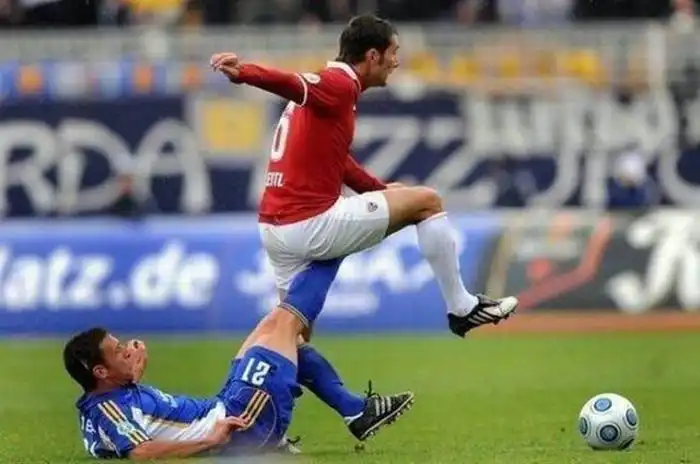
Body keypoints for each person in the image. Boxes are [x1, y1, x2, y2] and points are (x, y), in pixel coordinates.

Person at [210, 14, 518, 340]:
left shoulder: (327, 94)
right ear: (372, 56)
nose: (396, 62)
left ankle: (263, 371)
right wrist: (244, 73)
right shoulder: (339, 84)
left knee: (294, 337)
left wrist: (379, 190)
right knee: (427, 202)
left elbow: (339, 162)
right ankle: (462, 308)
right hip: (311, 224)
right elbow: (293, 82)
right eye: (393, 53)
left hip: (274, 228)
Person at [64, 259, 414, 460]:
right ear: (101, 371)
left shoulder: (104, 398)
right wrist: (211, 440)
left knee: (276, 331)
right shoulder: (109, 409)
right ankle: (335, 250)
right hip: (240, 423)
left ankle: (355, 410)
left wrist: (133, 371)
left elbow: (129, 418)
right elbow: (139, 451)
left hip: (227, 406)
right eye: (118, 351)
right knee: (287, 320)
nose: (127, 349)